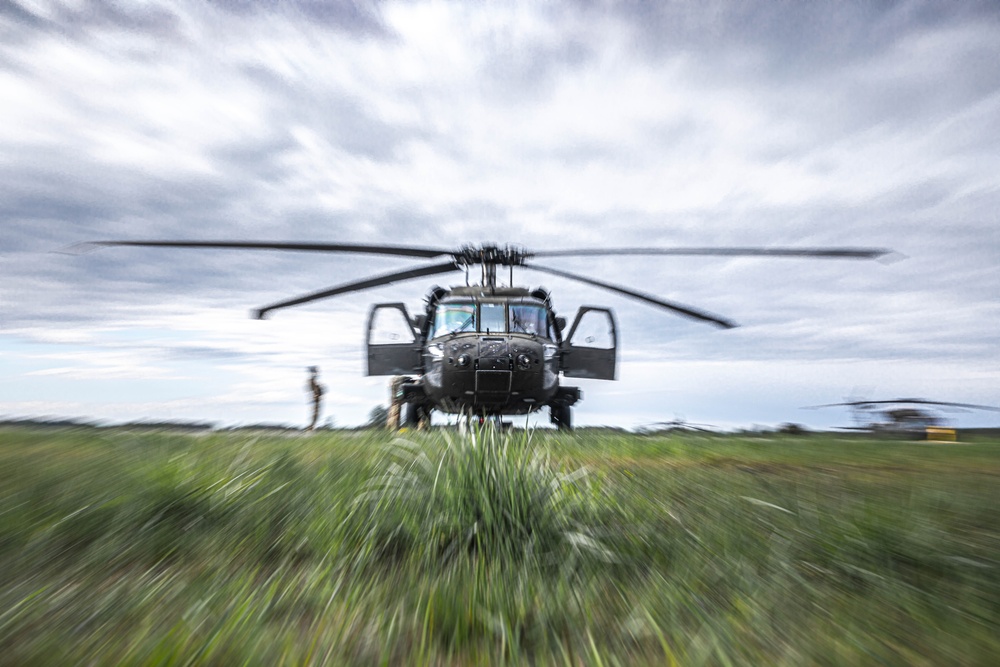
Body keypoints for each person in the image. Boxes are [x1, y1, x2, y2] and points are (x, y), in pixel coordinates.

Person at [306, 366, 326, 431]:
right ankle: (310, 429)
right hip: (316, 400)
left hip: (317, 399)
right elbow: (315, 391)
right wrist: (317, 395)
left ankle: (311, 428)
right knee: (315, 415)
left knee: (316, 415)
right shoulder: (312, 381)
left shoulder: (313, 381)